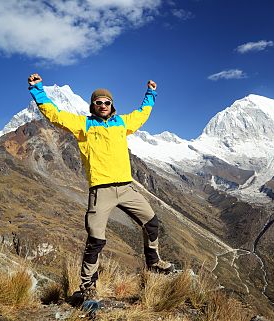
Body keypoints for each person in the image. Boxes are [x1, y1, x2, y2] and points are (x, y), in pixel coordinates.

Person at [27, 73, 174, 300]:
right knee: (96, 239)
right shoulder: (83, 125)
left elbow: (142, 115)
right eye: (99, 102)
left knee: (151, 222)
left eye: (107, 102)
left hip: (126, 188)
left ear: (111, 105)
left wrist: (151, 94)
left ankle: (153, 263)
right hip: (101, 190)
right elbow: (54, 115)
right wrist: (37, 89)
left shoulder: (122, 123)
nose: (103, 105)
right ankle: (87, 285)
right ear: (93, 105)